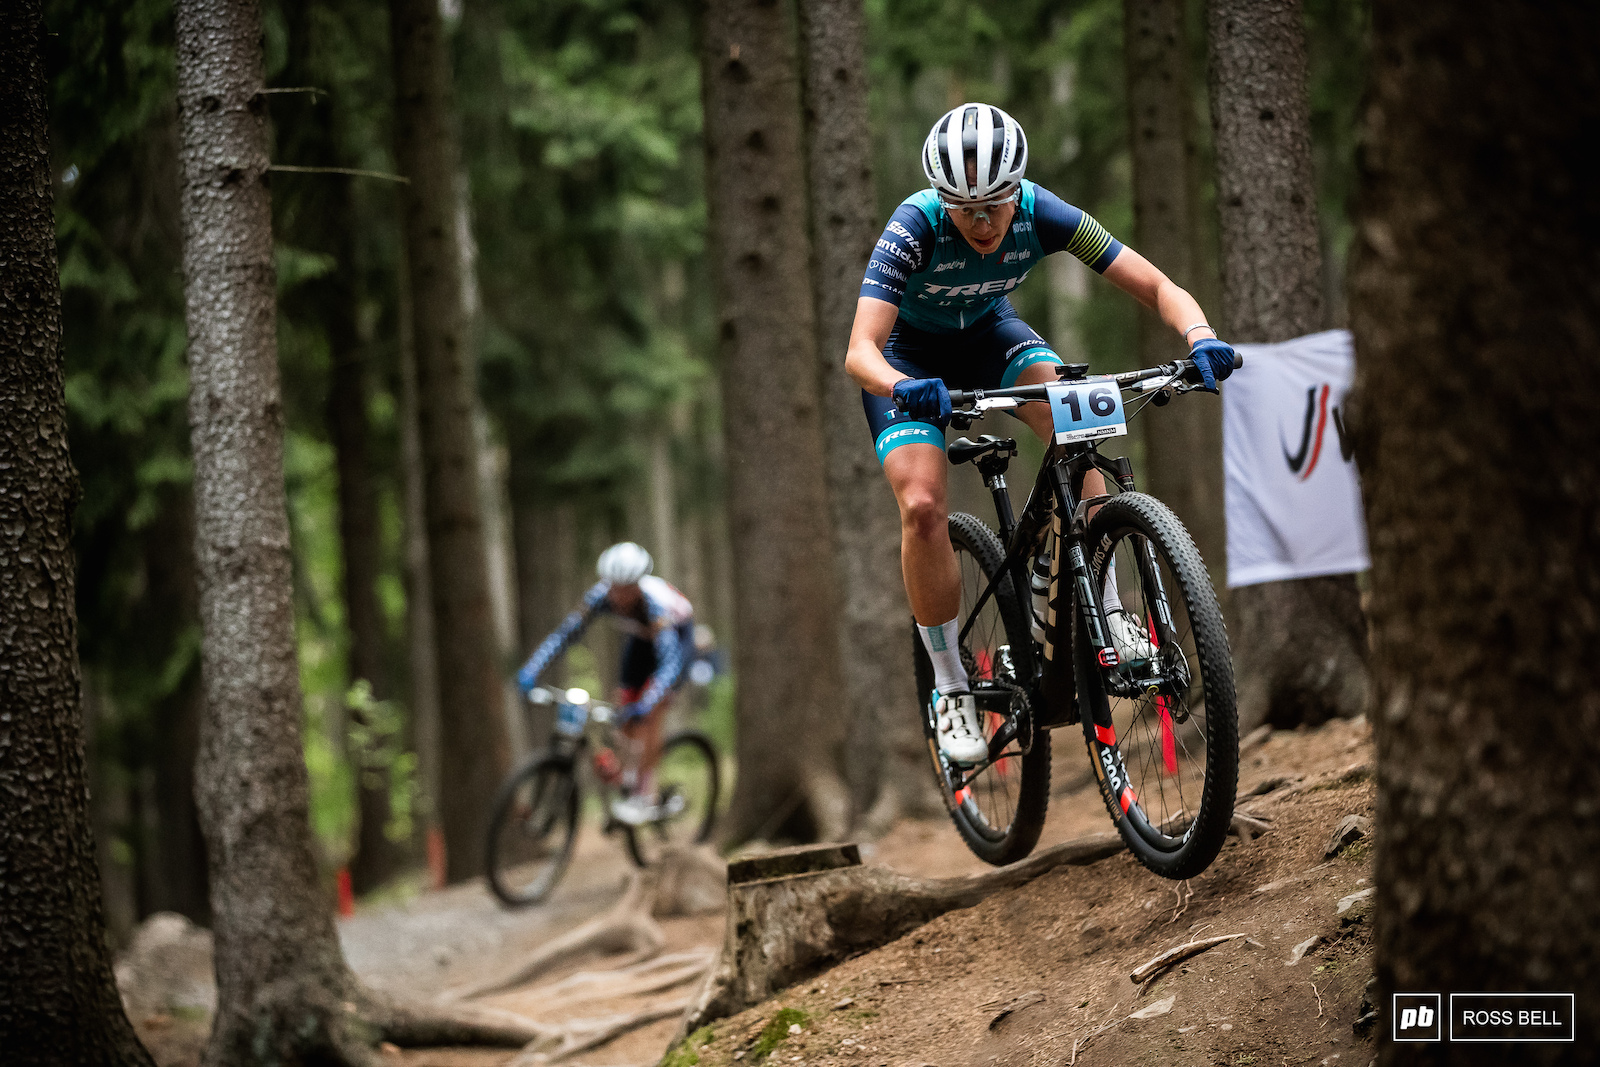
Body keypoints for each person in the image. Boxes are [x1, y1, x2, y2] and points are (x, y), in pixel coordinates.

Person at [845, 103, 1237, 766]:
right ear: (942, 200)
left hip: (993, 337)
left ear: (1015, 191)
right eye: (964, 208)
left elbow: (1155, 283)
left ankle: (1107, 609)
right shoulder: (913, 227)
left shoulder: (1042, 212)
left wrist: (1200, 337)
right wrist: (899, 385)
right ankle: (951, 686)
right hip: (910, 360)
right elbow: (860, 349)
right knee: (920, 505)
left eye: (994, 205)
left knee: (1077, 423)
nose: (981, 221)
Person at [516, 542, 695, 824]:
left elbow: (670, 664)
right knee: (622, 711)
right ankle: (627, 776)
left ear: (639, 584)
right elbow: (565, 634)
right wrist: (532, 668)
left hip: (676, 640)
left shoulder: (656, 605)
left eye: (626, 588)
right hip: (639, 639)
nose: (619, 596)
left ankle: (643, 794)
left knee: (650, 712)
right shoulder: (600, 597)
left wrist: (648, 703)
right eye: (614, 587)